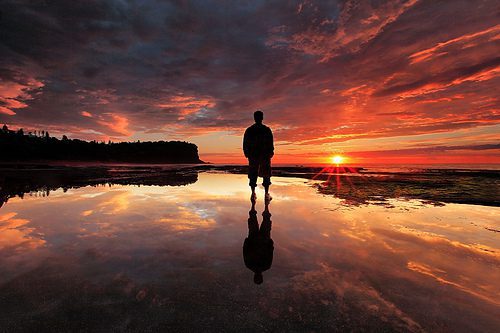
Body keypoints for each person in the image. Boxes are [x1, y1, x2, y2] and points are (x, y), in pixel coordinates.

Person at [243, 110, 274, 201]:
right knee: (265, 174)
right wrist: (271, 152)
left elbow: (245, 143)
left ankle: (254, 193)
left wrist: (247, 153)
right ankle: (265, 193)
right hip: (262, 155)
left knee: (254, 174)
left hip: (255, 155)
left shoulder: (250, 130)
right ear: (262, 118)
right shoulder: (266, 129)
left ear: (254, 118)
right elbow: (270, 143)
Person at [243, 199, 274, 284]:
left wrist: (270, 242)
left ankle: (261, 203)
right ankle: (260, 203)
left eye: (257, 278)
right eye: (259, 278)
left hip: (258, 238)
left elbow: (245, 250)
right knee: (257, 218)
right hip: (259, 238)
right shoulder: (250, 265)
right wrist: (247, 241)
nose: (258, 276)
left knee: (262, 218)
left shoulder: (265, 266)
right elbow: (270, 251)